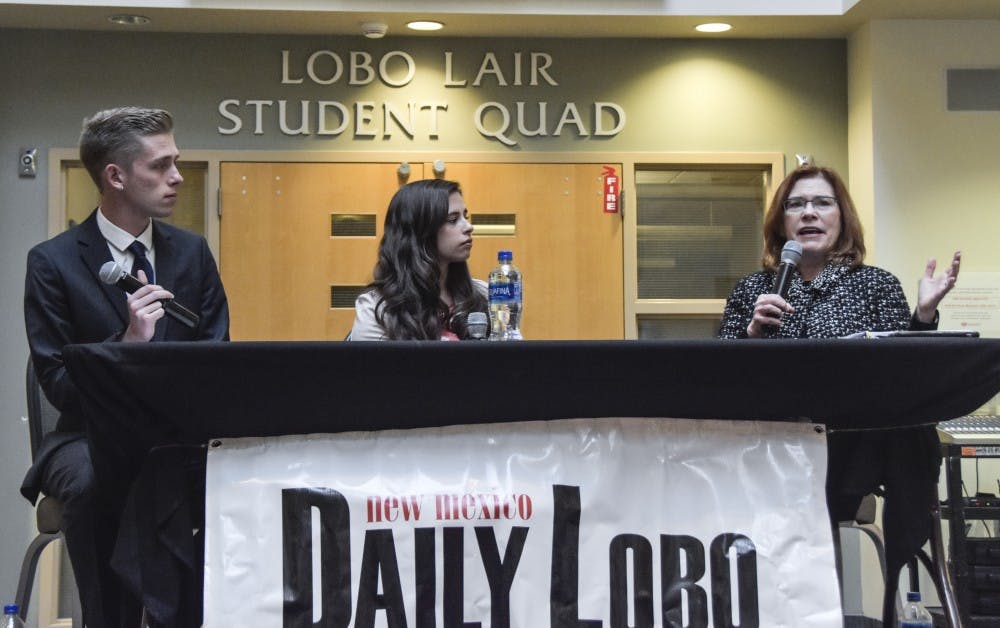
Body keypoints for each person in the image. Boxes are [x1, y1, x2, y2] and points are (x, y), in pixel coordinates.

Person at [717, 164, 960, 621]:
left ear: (841, 217)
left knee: (898, 438)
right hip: (767, 447)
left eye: (821, 203)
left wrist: (923, 317)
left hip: (851, 453)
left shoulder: (875, 285)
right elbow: (718, 379)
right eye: (796, 205)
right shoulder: (753, 289)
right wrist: (751, 333)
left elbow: (903, 374)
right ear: (781, 222)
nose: (808, 213)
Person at [21, 107, 230, 628]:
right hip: (86, 437)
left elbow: (219, 355)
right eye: (160, 166)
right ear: (115, 176)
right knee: (99, 481)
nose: (177, 177)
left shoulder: (192, 253)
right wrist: (128, 344)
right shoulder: (54, 262)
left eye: (176, 163)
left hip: (178, 434)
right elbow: (61, 386)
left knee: (237, 474)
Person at [350, 178, 488, 340]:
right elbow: (371, 365)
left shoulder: (484, 293)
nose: (469, 227)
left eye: (465, 217)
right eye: (452, 219)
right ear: (420, 231)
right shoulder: (377, 307)